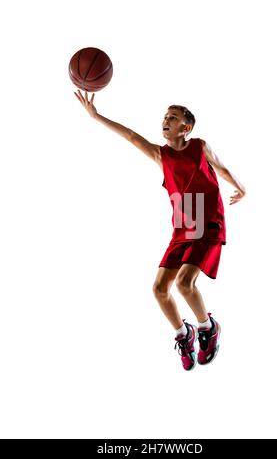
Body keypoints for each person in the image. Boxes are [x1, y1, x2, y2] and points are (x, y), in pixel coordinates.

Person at [74, 90, 246, 371]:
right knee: (158, 289)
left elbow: (222, 168)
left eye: (173, 117)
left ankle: (207, 327)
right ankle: (184, 333)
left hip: (209, 222)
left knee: (183, 283)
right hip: (182, 228)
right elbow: (130, 135)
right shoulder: (161, 155)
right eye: (165, 116)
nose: (166, 120)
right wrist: (96, 116)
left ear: (185, 128)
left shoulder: (200, 147)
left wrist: (240, 187)